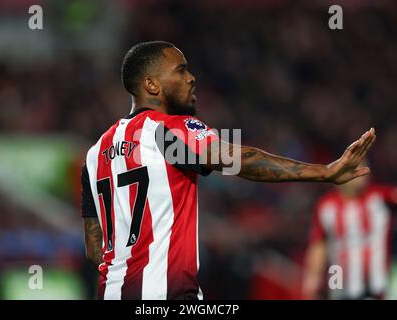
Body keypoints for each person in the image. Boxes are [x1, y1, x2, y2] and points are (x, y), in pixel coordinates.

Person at [81, 40, 376, 300]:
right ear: (152, 85)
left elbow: (96, 248)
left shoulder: (95, 155)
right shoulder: (167, 132)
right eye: (181, 70)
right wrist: (325, 172)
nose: (191, 78)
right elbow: (241, 159)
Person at [302, 161, 397, 300]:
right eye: (357, 168)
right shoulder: (326, 206)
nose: (364, 172)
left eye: (365, 167)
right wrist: (312, 279)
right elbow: (319, 244)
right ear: (339, 171)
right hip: (339, 283)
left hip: (378, 286)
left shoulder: (381, 197)